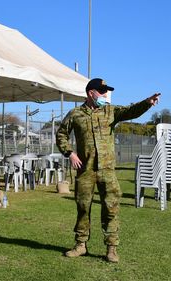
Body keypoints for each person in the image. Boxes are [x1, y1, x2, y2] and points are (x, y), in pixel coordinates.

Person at [56, 78, 160, 263]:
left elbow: (131, 111)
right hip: (85, 170)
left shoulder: (111, 111)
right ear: (91, 93)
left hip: (107, 171)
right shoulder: (75, 114)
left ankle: (111, 248)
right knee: (83, 208)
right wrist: (70, 153)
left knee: (111, 208)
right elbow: (61, 134)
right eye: (102, 92)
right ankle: (80, 245)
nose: (105, 95)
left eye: (106, 92)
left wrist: (147, 103)